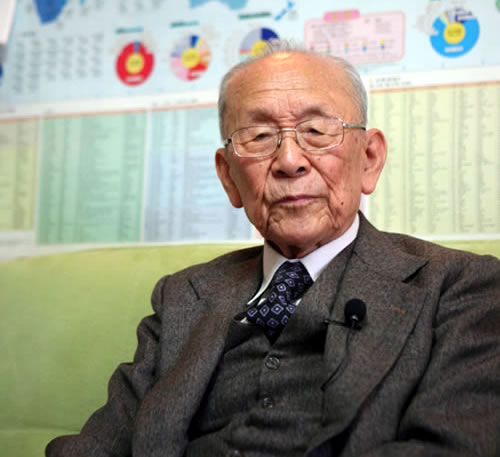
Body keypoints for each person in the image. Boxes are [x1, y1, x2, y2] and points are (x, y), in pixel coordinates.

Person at [46, 41, 500, 457]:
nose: (289, 161)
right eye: (260, 136)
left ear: (369, 159)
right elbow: (99, 444)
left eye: (317, 130)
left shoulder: (460, 288)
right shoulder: (182, 296)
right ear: (229, 177)